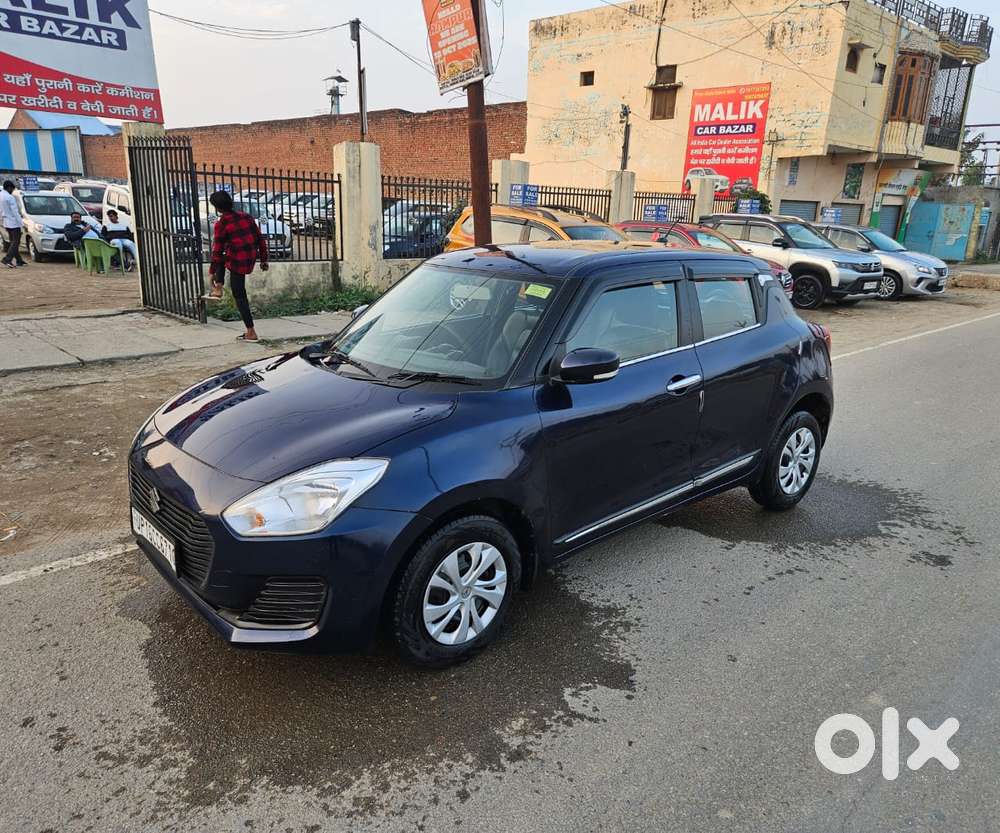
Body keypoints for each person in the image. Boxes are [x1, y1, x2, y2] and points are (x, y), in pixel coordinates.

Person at [207, 190, 268, 342]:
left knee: (239, 295)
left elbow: (217, 250)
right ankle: (219, 287)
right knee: (223, 255)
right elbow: (260, 239)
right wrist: (264, 260)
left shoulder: (221, 224)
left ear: (217, 208)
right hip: (250, 258)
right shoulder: (246, 217)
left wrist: (212, 272)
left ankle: (251, 332)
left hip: (237, 262)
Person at [1, 180, 26, 268]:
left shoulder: (0, 196)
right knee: (16, 242)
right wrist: (21, 223)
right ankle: (7, 259)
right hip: (14, 222)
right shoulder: (10, 197)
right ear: (9, 188)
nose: (12, 190)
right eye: (12, 189)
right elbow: (15, 212)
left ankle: (19, 260)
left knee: (13, 242)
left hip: (6, 222)